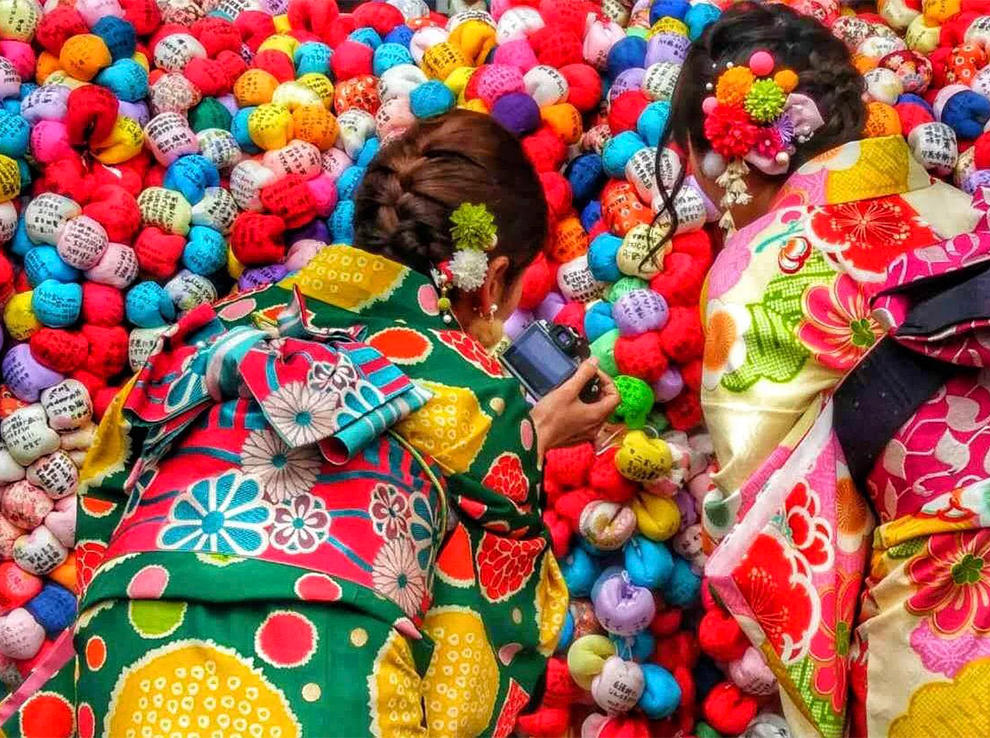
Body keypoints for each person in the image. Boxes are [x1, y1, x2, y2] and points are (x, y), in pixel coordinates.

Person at [662, 4, 990, 737]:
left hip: (980, 584)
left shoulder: (761, 263)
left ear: (724, 155)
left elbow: (767, 521)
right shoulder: (975, 209)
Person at [52, 109, 617, 738]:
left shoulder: (215, 327)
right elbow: (481, 647)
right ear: (495, 278)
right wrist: (528, 441)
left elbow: (106, 487)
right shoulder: (482, 398)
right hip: (325, 692)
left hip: (124, 657)